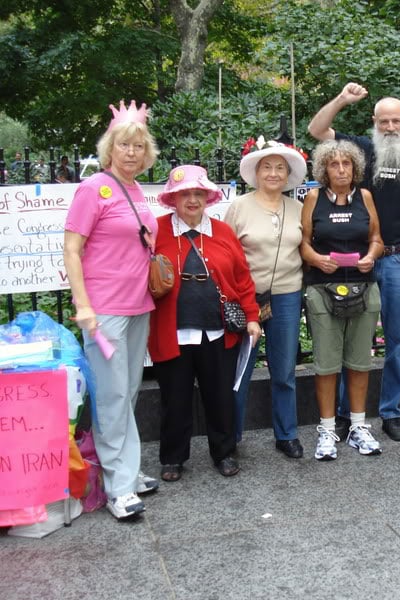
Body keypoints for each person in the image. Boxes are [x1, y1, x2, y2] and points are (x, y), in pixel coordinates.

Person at [308, 82, 400, 442]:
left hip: (399, 258)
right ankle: (352, 414)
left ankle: (391, 412)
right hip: (358, 260)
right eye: (384, 122)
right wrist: (342, 100)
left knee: (396, 340)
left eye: (396, 121)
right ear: (374, 122)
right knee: (353, 339)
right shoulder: (360, 150)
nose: (391, 128)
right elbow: (317, 132)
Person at [63, 99, 161, 520]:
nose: (132, 152)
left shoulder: (136, 189)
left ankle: (127, 470)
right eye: (124, 145)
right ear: (110, 148)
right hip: (104, 310)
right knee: (112, 396)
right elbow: (71, 248)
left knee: (129, 391)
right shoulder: (93, 188)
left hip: (138, 304)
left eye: (139, 146)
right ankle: (120, 487)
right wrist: (83, 306)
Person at [148, 165, 260, 481]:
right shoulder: (156, 231)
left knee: (220, 397)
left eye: (198, 193)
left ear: (207, 197)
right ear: (174, 198)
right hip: (173, 332)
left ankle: (224, 453)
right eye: (185, 194)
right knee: (175, 399)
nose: (193, 200)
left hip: (217, 331)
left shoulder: (223, 232)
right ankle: (172, 457)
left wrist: (251, 316)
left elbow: (242, 278)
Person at [300, 139, 384, 461]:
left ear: (355, 168)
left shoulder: (365, 197)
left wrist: (372, 256)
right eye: (334, 164)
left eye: (346, 164)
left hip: (363, 286)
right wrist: (317, 260)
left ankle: (359, 427)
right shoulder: (312, 198)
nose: (340, 169)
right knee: (326, 364)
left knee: (360, 362)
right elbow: (304, 243)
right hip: (323, 288)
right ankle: (326, 429)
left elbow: (376, 238)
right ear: (324, 169)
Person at [225, 139, 307, 458]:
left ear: (288, 175)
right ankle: (230, 437)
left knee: (284, 369)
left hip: (287, 295)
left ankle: (286, 433)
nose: (273, 173)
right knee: (241, 370)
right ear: (256, 172)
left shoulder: (299, 208)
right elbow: (227, 254)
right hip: (248, 299)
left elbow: (307, 248)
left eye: (280, 168)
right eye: (267, 167)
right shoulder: (239, 207)